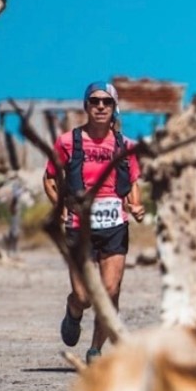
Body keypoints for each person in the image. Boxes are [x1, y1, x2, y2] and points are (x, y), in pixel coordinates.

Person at [43, 81, 146, 364]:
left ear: (114, 108)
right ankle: (73, 310)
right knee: (84, 294)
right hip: (79, 226)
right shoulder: (68, 142)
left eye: (106, 102)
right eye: (95, 101)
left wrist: (136, 205)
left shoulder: (126, 146)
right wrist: (60, 205)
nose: (100, 106)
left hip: (114, 225)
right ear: (86, 106)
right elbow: (50, 178)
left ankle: (96, 350)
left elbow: (133, 181)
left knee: (110, 291)